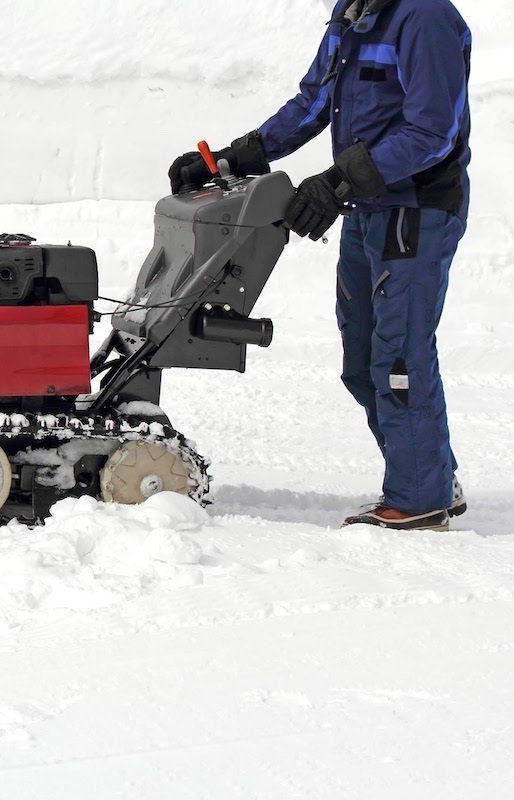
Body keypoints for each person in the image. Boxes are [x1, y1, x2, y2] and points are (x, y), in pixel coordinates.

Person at [169, 0, 471, 531]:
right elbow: (315, 101)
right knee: (361, 359)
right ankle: (430, 473)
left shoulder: (425, 18)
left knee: (398, 356)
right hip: (366, 206)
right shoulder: (351, 12)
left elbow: (431, 132)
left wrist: (336, 184)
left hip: (415, 212)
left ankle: (419, 496)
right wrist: (234, 158)